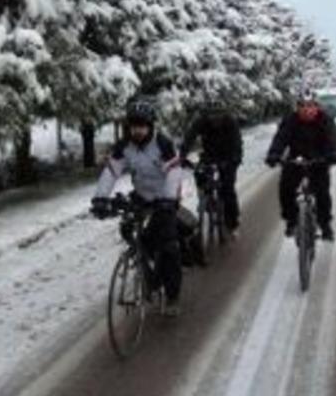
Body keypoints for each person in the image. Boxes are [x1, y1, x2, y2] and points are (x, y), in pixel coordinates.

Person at [91, 99, 186, 316]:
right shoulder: (124, 146)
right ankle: (148, 275)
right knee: (131, 233)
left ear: (150, 126)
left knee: (169, 246)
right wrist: (100, 199)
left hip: (165, 197)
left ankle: (172, 296)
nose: (138, 130)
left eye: (142, 126)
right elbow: (111, 172)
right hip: (142, 195)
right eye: (134, 126)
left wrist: (169, 198)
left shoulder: (162, 144)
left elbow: (174, 172)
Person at [265, 90, 336, 241]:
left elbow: (333, 139)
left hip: (319, 160)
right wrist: (274, 154)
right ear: (297, 107)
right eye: (303, 106)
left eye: (311, 106)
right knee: (285, 188)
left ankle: (325, 224)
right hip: (296, 159)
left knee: (322, 193)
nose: (307, 110)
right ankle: (291, 220)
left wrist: (335, 153)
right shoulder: (290, 120)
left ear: (317, 107)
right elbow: (280, 138)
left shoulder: (325, 120)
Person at [179, 100, 243, 238]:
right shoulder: (201, 121)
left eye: (218, 115)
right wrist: (182, 156)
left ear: (224, 115)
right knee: (200, 174)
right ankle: (207, 201)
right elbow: (189, 138)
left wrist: (235, 160)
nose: (215, 119)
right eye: (212, 116)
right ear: (206, 115)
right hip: (209, 155)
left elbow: (237, 144)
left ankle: (232, 222)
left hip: (228, 156)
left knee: (227, 188)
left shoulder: (231, 122)